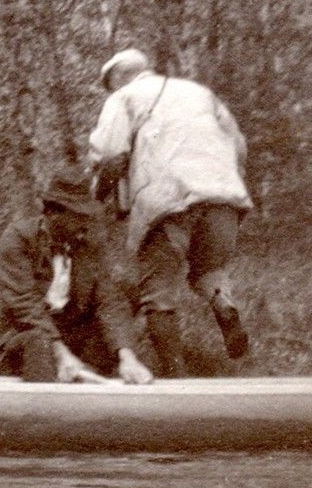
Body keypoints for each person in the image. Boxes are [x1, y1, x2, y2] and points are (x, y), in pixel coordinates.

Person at [86, 48, 253, 377]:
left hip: (169, 201)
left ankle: (176, 380)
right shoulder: (199, 93)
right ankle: (223, 304)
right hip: (224, 197)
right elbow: (240, 147)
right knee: (208, 270)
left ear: (117, 79)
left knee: (158, 296)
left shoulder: (124, 98)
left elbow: (110, 155)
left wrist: (97, 198)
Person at [0, 167, 154, 385]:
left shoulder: (87, 244)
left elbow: (108, 300)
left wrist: (127, 355)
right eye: (76, 217)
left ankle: (93, 384)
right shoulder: (18, 239)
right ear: (52, 214)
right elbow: (24, 305)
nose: (84, 224)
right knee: (39, 343)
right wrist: (60, 353)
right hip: (25, 335)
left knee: (126, 296)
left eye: (85, 216)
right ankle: (44, 408)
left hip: (71, 334)